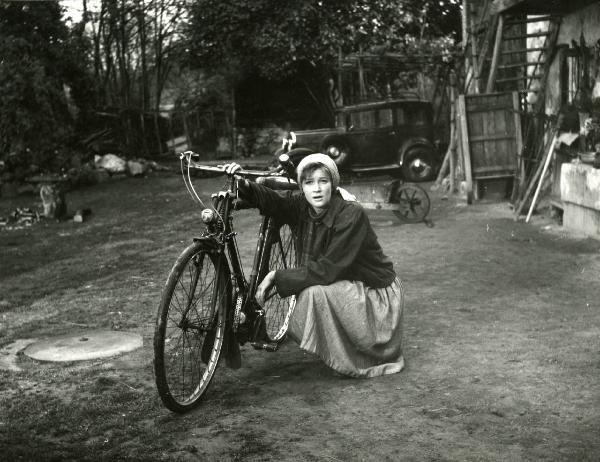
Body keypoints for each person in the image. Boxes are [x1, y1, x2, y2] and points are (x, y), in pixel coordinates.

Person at [225, 153, 404, 377]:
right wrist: (243, 183)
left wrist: (275, 277)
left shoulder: (351, 214)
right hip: (351, 283)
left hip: (376, 294)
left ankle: (358, 351)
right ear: (302, 186)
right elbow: (275, 202)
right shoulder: (304, 206)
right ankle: (340, 343)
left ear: (333, 184)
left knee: (314, 293)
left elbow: (328, 270)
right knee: (313, 291)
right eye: (309, 183)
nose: (316, 189)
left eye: (323, 181)